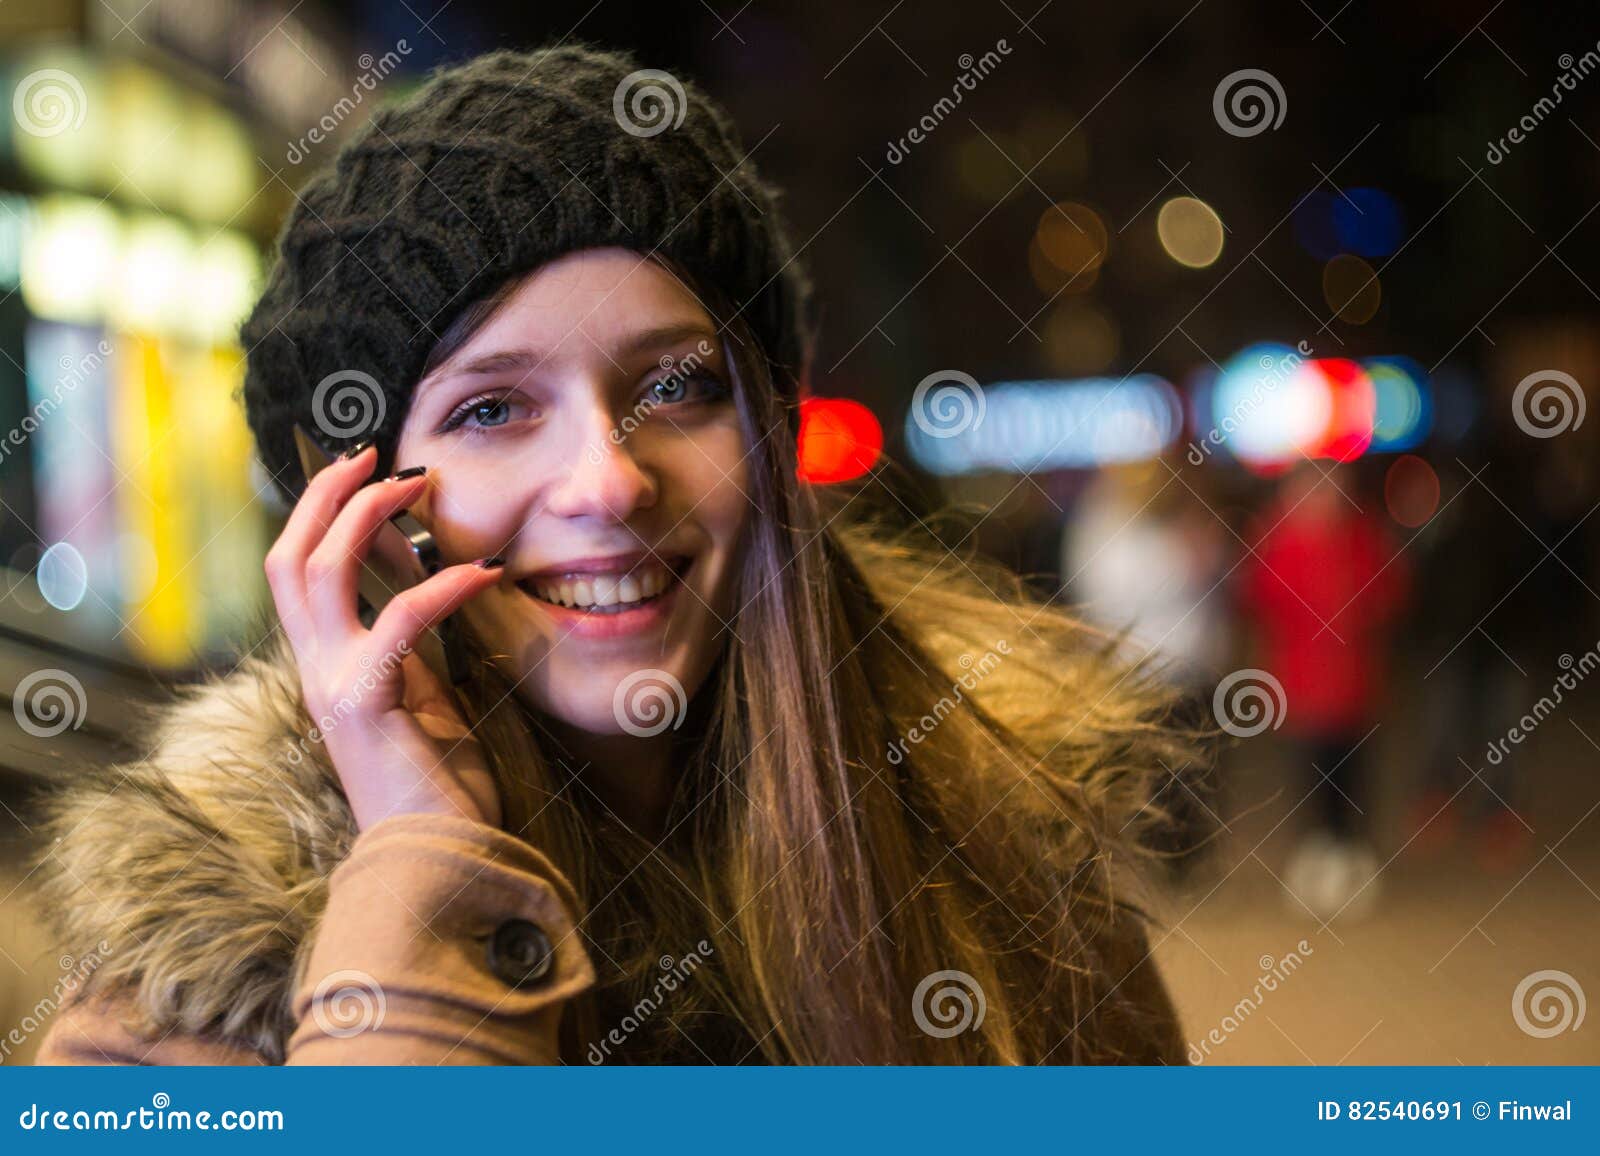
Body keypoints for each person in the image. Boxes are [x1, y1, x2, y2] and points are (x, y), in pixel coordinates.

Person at [32, 45, 1203, 1066]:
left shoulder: (1011, 869)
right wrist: (419, 862)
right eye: (492, 410)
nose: (609, 480)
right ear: (354, 513)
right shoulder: (189, 993)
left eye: (677, 388)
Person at [1240, 463, 1408, 919]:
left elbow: (1389, 593)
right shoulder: (1279, 539)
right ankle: (1315, 856)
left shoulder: (1362, 535)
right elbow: (1261, 598)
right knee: (1310, 776)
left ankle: (1352, 856)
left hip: (1354, 687)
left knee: (1353, 776)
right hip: (1303, 688)